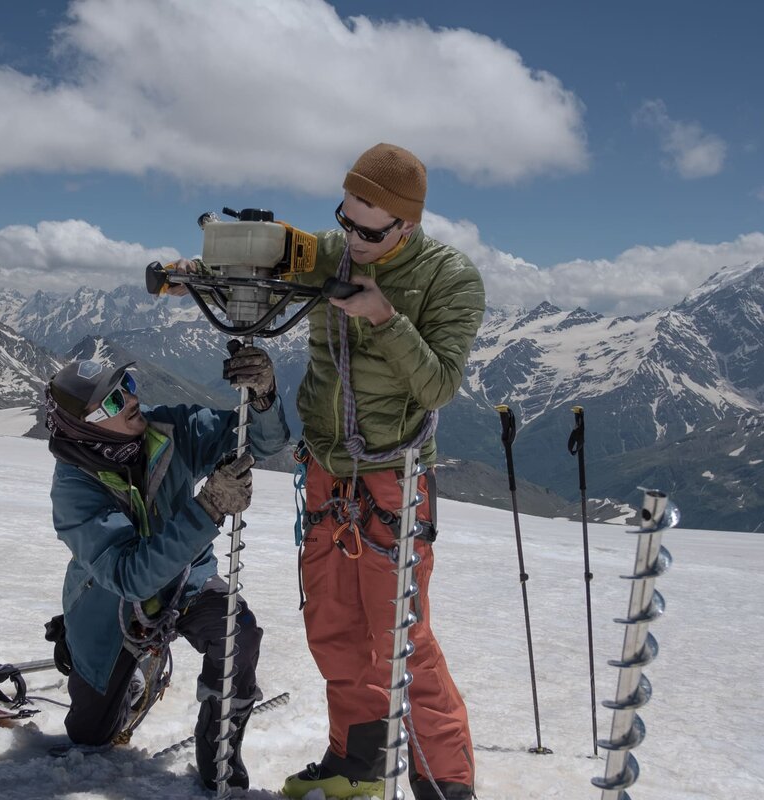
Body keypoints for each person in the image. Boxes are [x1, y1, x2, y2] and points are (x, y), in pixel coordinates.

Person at [169, 142, 484, 799]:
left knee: (403, 636)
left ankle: (445, 781)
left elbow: (439, 387)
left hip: (394, 474)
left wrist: (385, 318)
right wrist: (195, 270)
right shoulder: (327, 254)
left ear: (407, 224)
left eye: (371, 230)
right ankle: (357, 759)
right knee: (335, 631)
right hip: (323, 475)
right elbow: (258, 254)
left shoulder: (450, 277)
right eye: (345, 220)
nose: (354, 239)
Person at [43, 345, 289, 791]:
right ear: (86, 426)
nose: (131, 399)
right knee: (89, 735)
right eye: (114, 400)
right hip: (110, 607)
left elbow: (263, 441)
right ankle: (121, 669)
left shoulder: (168, 430)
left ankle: (220, 758)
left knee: (237, 634)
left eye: (127, 386)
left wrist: (264, 398)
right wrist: (209, 507)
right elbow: (130, 577)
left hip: (185, 583)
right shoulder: (74, 491)